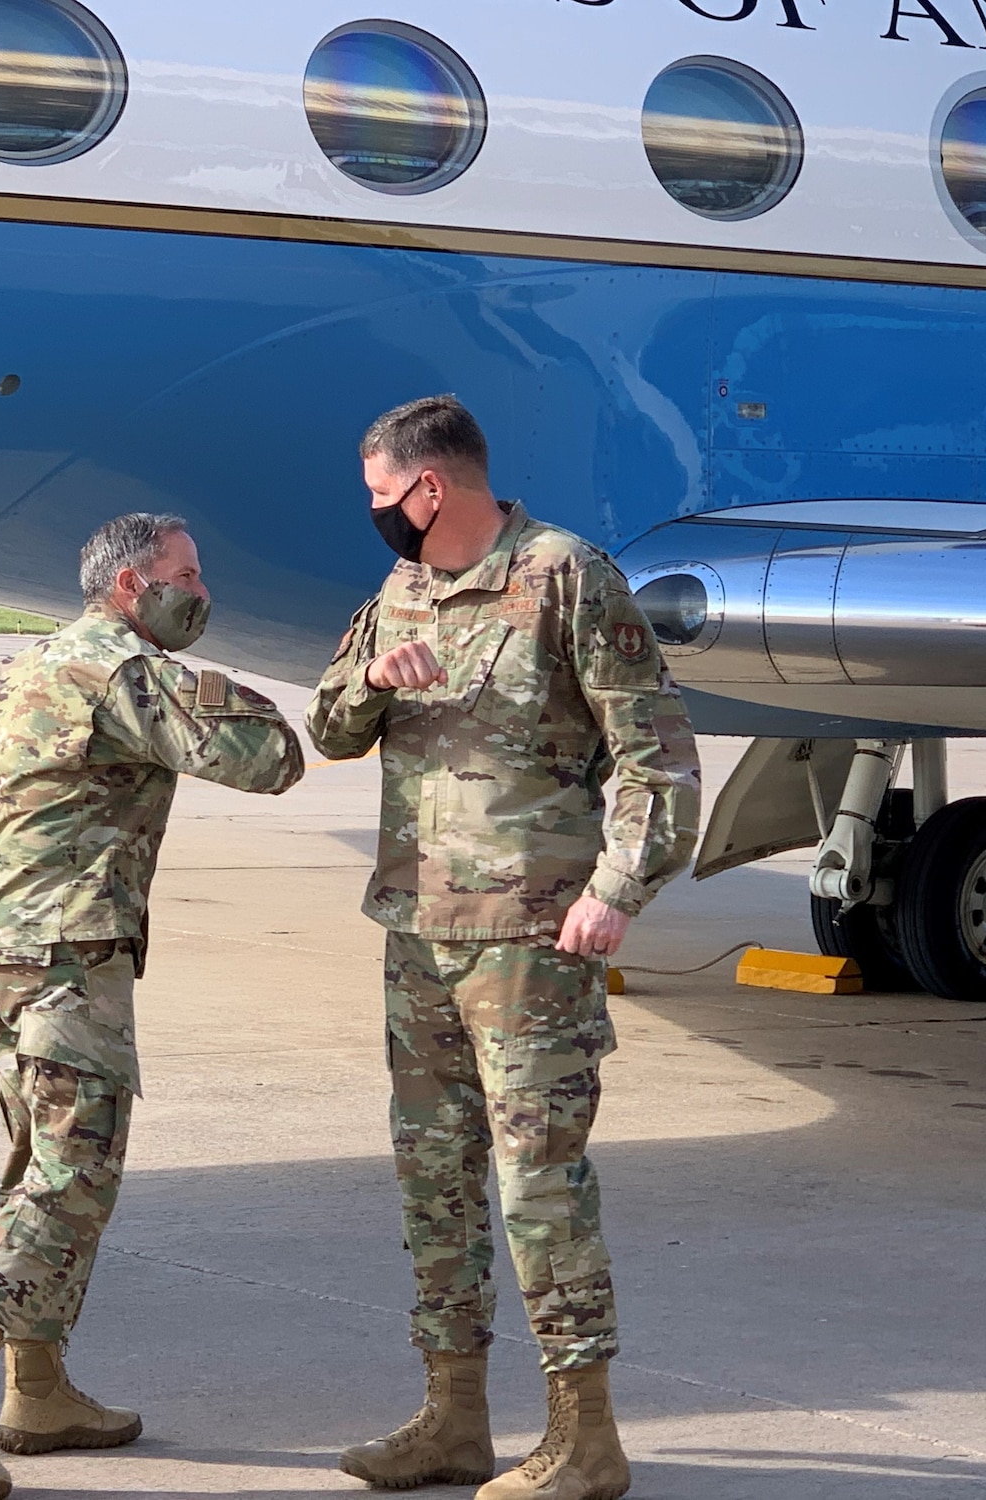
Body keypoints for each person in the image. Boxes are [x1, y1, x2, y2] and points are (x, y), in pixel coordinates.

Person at [308, 396, 700, 1500]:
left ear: (431, 487)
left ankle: (585, 1438)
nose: (376, 515)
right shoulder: (402, 589)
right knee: (433, 1185)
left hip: (531, 944)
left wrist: (617, 889)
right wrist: (368, 680)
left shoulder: (565, 576)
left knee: (537, 1188)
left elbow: (656, 755)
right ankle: (453, 1420)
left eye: (382, 495)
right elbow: (328, 728)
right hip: (417, 937)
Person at [0, 512, 305, 1499]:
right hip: (68, 955)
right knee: (75, 1174)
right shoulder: (127, 672)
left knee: (38, 1157)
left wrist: (8, 900)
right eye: (187, 576)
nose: (200, 593)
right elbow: (268, 759)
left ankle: (38, 1389)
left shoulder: (13, 671)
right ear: (130, 588)